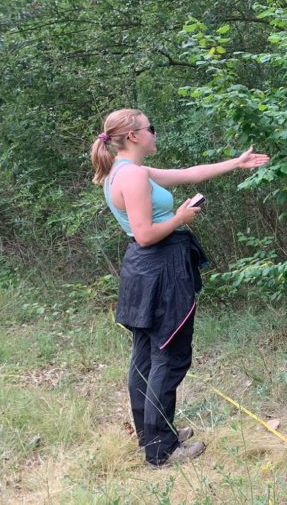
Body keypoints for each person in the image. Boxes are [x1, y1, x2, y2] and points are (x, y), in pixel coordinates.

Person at [89, 108, 269, 467]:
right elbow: (144, 235)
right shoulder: (133, 177)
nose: (155, 133)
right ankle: (160, 448)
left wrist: (236, 162)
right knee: (168, 357)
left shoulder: (128, 171)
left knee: (146, 357)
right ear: (135, 136)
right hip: (159, 270)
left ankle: (154, 432)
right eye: (150, 127)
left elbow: (189, 174)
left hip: (146, 271)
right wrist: (181, 218)